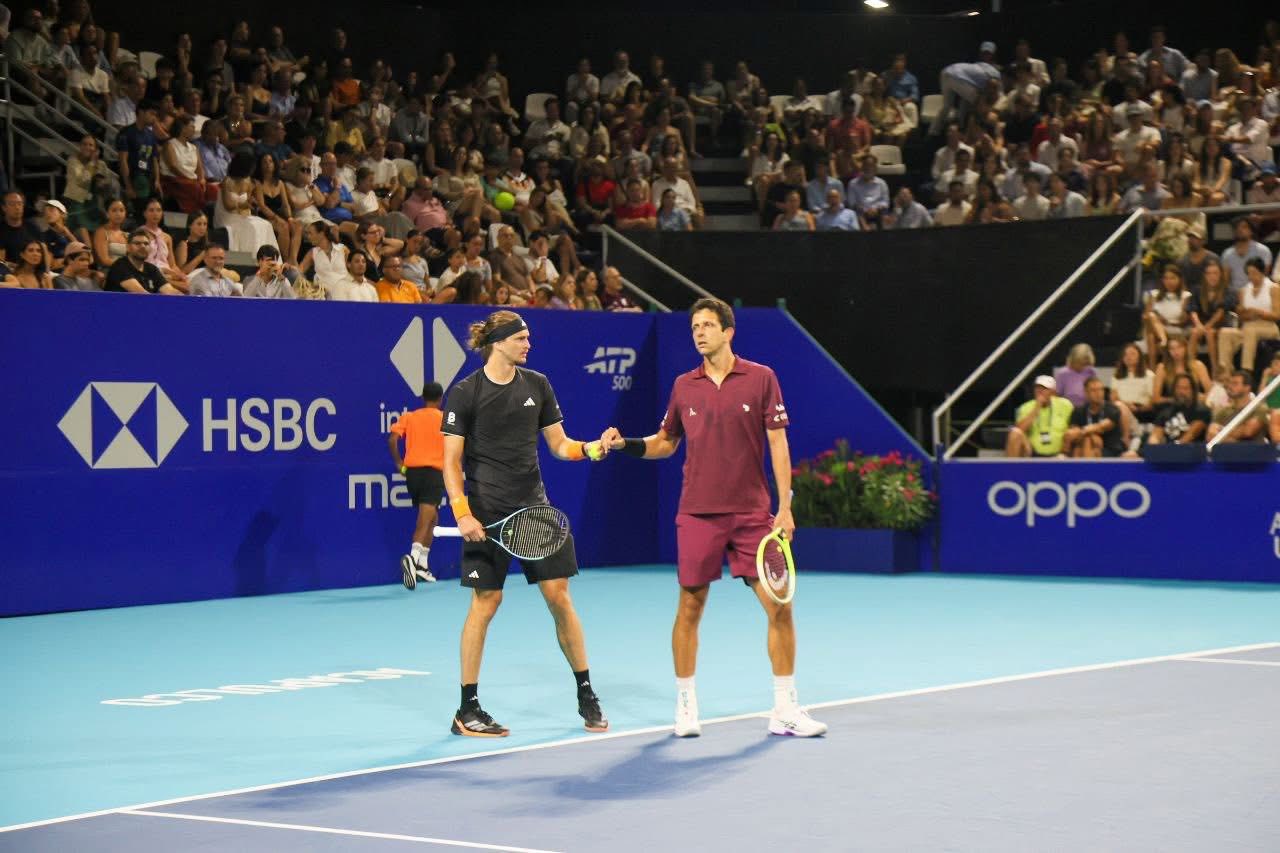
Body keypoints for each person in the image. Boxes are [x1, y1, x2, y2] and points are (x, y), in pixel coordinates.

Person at [599, 298, 825, 738]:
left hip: (753, 517)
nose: (699, 332)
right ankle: (685, 705)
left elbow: (778, 445)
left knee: (780, 605)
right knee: (690, 606)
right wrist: (625, 443)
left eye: (707, 325)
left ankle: (785, 709)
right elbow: (666, 442)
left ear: (728, 331)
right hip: (698, 513)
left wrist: (785, 506)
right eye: (694, 326)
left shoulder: (762, 378)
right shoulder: (685, 386)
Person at [440, 310, 610, 737]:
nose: (528, 344)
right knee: (486, 601)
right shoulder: (465, 393)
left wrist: (590, 450)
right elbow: (451, 462)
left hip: (535, 511)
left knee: (559, 596)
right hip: (486, 511)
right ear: (498, 342)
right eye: (521, 338)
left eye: (528, 338)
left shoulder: (538, 385)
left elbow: (559, 445)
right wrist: (463, 513)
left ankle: (586, 691)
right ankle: (468, 708)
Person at [388, 382, 448, 588]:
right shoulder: (444, 418)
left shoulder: (410, 417)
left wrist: (399, 463)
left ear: (423, 398)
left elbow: (393, 439)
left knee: (432, 518)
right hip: (433, 473)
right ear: (441, 399)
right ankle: (413, 560)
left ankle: (422, 565)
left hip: (412, 474)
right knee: (425, 519)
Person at [1217, 258, 1280, 374]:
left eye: (1254, 273)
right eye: (1249, 273)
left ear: (1262, 272)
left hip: (1268, 327)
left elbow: (1277, 315)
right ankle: (1225, 371)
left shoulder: (1273, 288)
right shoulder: (1244, 291)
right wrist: (1244, 313)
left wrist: (1257, 312)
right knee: (1225, 332)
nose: (1251, 276)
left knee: (1250, 331)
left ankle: (1246, 370)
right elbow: (1241, 316)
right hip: (1247, 327)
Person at [1006, 375, 1075, 457]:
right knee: (1015, 433)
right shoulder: (1026, 407)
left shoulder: (1065, 405)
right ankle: (1012, 469)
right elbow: (1019, 429)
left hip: (1059, 452)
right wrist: (1036, 409)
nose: (1040, 391)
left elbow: (1074, 427)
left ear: (1053, 391)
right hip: (1031, 451)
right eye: (1037, 388)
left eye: (1044, 388)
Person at [104, 229, 181, 294]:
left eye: (146, 244)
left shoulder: (152, 269)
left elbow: (170, 291)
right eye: (137, 243)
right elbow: (141, 294)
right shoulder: (120, 266)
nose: (143, 246)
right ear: (128, 247)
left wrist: (183, 299)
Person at [1064, 378, 1126, 458]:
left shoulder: (1112, 409)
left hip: (1110, 449)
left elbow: (1102, 426)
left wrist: (1083, 432)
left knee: (1089, 440)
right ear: (1086, 393)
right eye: (1093, 390)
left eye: (1101, 390)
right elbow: (1072, 435)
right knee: (1082, 444)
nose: (1098, 393)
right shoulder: (1079, 411)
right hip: (1085, 447)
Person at [1205, 371, 1270, 444]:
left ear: (1247, 387)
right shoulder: (1223, 411)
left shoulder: (1259, 408)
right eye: (1230, 383)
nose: (1230, 386)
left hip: (1253, 453)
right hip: (1227, 453)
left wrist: (1220, 431)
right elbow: (1210, 436)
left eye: (1235, 383)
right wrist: (1236, 440)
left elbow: (1248, 431)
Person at [1147, 373, 1210, 445]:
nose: (1181, 392)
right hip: (1168, 450)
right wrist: (1153, 445)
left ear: (1193, 391)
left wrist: (1173, 448)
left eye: (1185, 388)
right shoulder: (1166, 411)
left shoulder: (1201, 410)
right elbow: (1156, 435)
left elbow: (1191, 435)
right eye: (1178, 388)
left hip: (1191, 451)